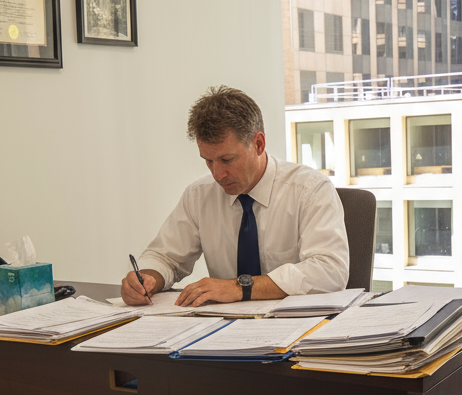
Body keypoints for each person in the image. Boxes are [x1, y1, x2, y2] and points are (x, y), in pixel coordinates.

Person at [121, 86, 349, 307]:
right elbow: (166, 257)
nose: (217, 174)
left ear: (258, 144)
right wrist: (147, 278)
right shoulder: (199, 195)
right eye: (208, 161)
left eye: (227, 159)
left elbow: (330, 270)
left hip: (298, 330)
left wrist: (241, 287)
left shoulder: (310, 190)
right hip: (224, 331)